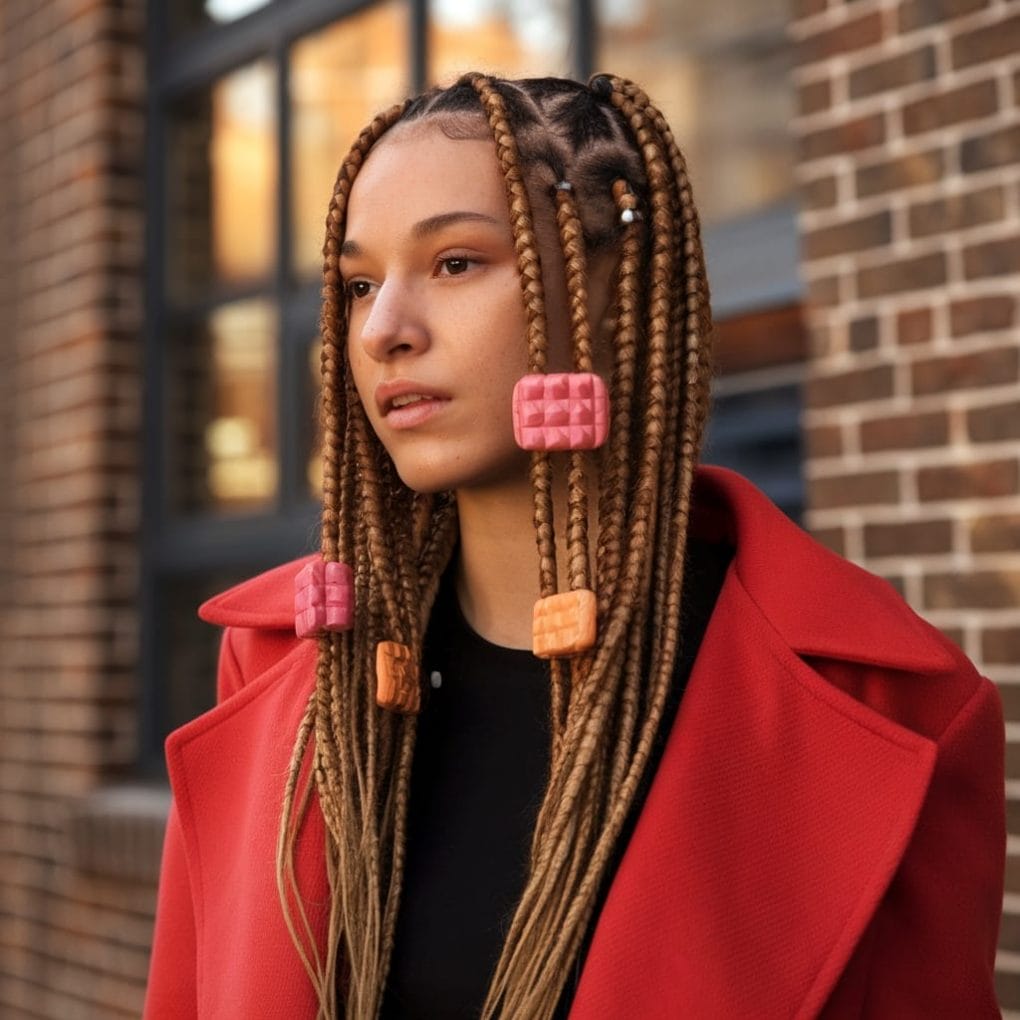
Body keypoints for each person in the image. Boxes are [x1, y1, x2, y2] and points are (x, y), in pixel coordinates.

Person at [143, 73, 1005, 1019]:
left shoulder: (890, 704)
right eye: (359, 284)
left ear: (605, 288)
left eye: (456, 262)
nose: (383, 330)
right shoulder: (277, 660)